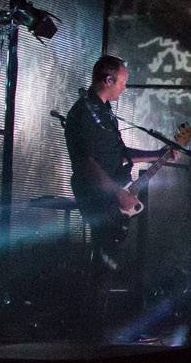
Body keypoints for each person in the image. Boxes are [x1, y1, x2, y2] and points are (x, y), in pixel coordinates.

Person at [62, 55, 175, 335]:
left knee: (108, 258)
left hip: (111, 193)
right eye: (122, 81)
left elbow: (122, 155)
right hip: (96, 194)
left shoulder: (106, 113)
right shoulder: (83, 113)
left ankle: (95, 324)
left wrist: (158, 154)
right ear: (108, 79)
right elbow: (86, 163)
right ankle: (89, 328)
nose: (124, 87)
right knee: (103, 258)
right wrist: (117, 193)